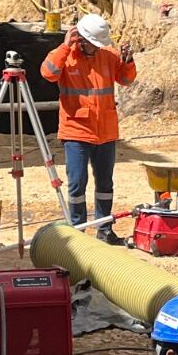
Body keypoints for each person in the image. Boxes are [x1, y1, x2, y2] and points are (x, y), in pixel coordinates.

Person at [40, 13, 137, 244]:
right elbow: (48, 73)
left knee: (105, 183)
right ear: (79, 39)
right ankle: (78, 229)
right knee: (77, 183)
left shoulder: (108, 55)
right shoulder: (67, 57)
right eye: (91, 44)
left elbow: (125, 80)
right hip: (76, 131)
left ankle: (104, 229)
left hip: (105, 131)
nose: (95, 48)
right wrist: (64, 46)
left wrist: (127, 61)